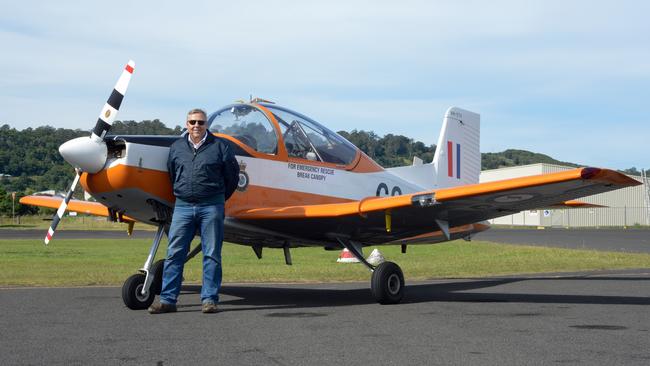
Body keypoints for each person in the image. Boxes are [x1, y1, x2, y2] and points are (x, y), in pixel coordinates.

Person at [149, 108, 239, 314]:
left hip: (212, 206)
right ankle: (167, 300)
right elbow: (173, 174)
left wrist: (217, 198)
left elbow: (231, 178)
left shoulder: (220, 147)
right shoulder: (177, 148)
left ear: (206, 124)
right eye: (192, 122)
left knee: (212, 254)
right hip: (183, 206)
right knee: (174, 253)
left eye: (200, 122)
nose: (196, 126)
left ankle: (209, 300)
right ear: (186, 124)